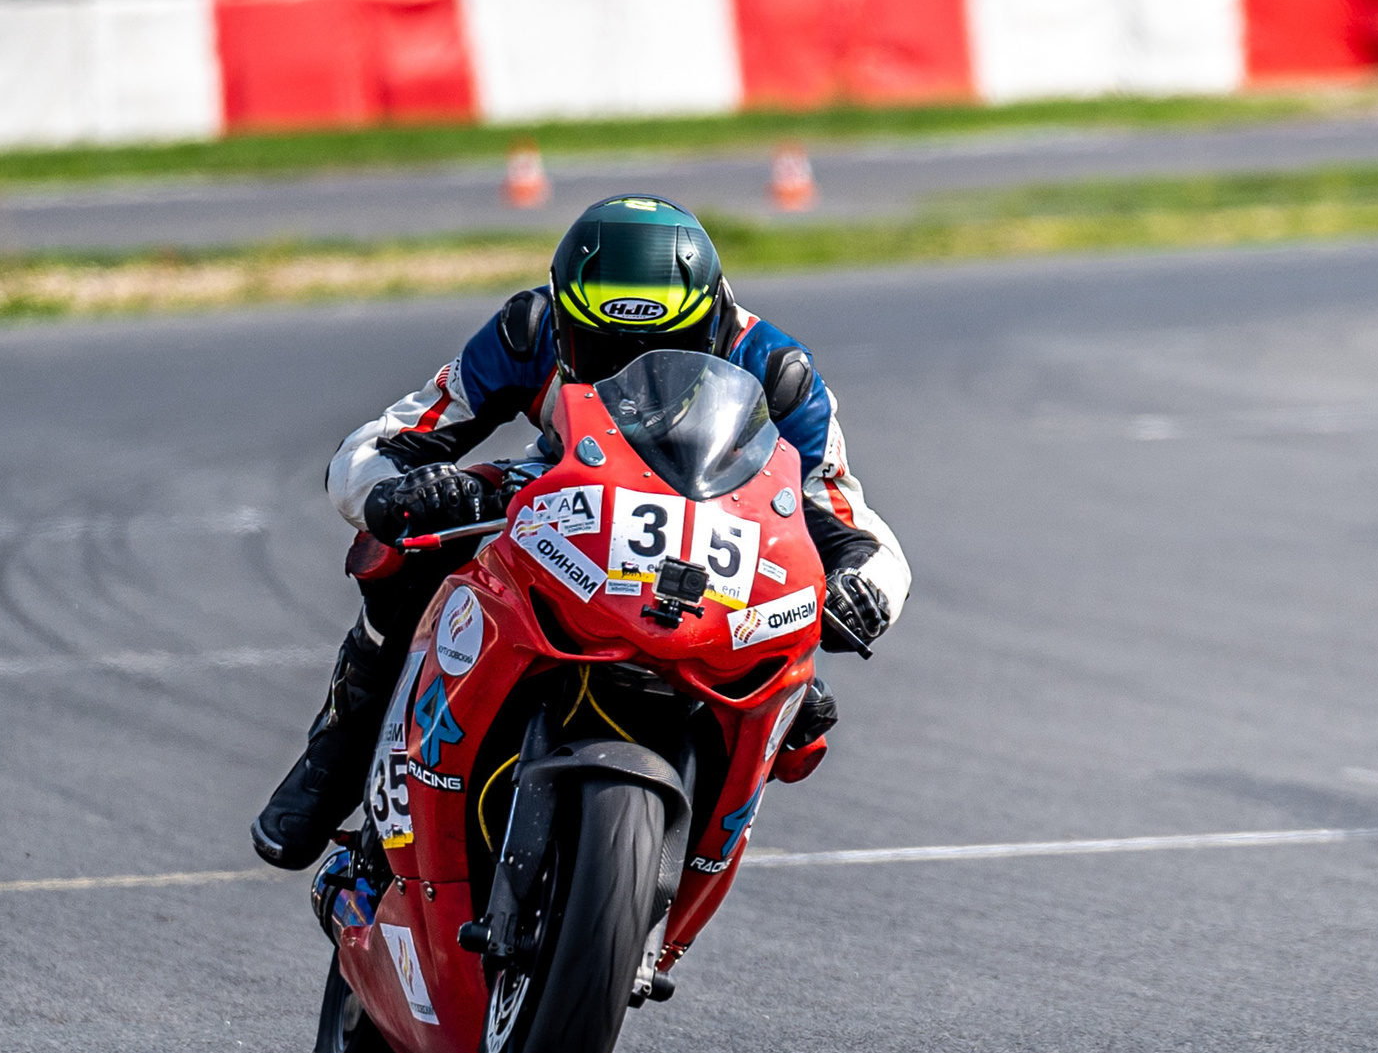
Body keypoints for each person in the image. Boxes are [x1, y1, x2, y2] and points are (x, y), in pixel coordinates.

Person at [252, 194, 909, 869]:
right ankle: (338, 751)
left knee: (799, 689)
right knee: (409, 546)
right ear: (567, 324)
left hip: (712, 544)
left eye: (664, 352)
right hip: (560, 501)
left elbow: (852, 524)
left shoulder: (776, 371)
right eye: (605, 353)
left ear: (710, 327)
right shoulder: (529, 328)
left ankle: (694, 841)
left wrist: (865, 588)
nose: (633, 377)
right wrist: (396, 493)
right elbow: (382, 442)